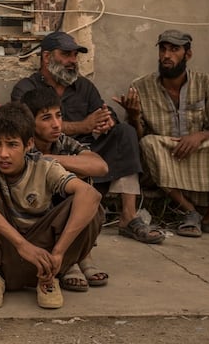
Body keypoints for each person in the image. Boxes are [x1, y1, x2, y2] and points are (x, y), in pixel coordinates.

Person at [10, 32, 158, 244]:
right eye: (66, 55)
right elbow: (24, 127)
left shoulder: (84, 87)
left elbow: (105, 113)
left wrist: (108, 122)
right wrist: (83, 125)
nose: (73, 61)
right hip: (50, 155)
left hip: (86, 151)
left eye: (75, 56)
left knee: (125, 132)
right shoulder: (26, 89)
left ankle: (129, 217)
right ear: (46, 57)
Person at [0, 102, 103, 310]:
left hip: (42, 256)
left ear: (28, 145)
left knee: (90, 206)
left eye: (12, 144)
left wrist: (58, 254)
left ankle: (48, 277)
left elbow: (90, 194)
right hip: (4, 251)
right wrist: (21, 244)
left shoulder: (44, 166)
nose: (3, 154)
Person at [113, 30, 209, 239]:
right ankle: (191, 211)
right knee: (149, 143)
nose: (166, 55)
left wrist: (199, 136)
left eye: (174, 50)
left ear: (187, 55)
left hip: (199, 153)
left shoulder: (205, 82)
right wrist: (134, 116)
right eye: (163, 49)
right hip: (167, 156)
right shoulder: (140, 86)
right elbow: (138, 137)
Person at [21, 87, 115, 292]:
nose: (56, 124)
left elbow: (100, 167)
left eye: (59, 116)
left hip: (64, 216)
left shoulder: (61, 142)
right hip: (37, 224)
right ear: (30, 123)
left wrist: (51, 160)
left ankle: (83, 254)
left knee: (82, 179)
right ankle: (70, 261)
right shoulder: (23, 145)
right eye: (46, 118)